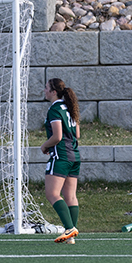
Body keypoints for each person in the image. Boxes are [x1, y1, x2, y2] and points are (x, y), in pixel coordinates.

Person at [40, 78, 81, 244]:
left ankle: (69, 228)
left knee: (52, 194)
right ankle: (71, 234)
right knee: (70, 196)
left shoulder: (55, 109)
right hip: (74, 155)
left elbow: (57, 136)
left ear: (53, 92)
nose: (44, 91)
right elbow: (77, 134)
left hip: (61, 156)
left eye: (46, 88)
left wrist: (44, 145)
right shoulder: (70, 107)